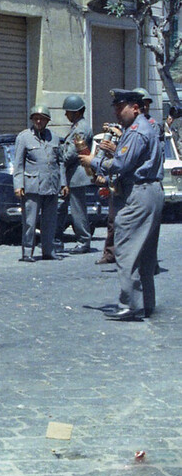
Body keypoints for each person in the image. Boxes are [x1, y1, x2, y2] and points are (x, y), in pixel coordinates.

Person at [78, 89, 163, 321]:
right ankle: (145, 303)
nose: (116, 111)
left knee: (126, 251)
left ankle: (130, 305)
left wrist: (93, 161)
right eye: (115, 107)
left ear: (135, 108)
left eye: (121, 107)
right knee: (145, 254)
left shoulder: (136, 131)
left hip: (138, 193)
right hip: (150, 191)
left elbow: (121, 164)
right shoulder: (141, 128)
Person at [14, 105, 66, 262]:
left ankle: (48, 251)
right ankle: (27, 251)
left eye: (42, 118)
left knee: (50, 221)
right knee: (29, 221)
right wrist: (18, 185)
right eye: (36, 118)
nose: (38, 121)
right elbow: (18, 163)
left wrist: (63, 183)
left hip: (51, 185)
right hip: (32, 186)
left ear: (47, 121)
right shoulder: (23, 137)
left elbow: (60, 162)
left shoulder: (55, 138)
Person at [57, 95, 94, 254]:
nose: (66, 115)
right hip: (72, 175)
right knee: (63, 208)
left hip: (77, 176)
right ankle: (56, 238)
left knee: (78, 210)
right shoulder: (78, 126)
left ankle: (83, 240)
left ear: (76, 112)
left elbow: (70, 154)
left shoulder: (80, 129)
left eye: (68, 112)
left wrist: (58, 153)